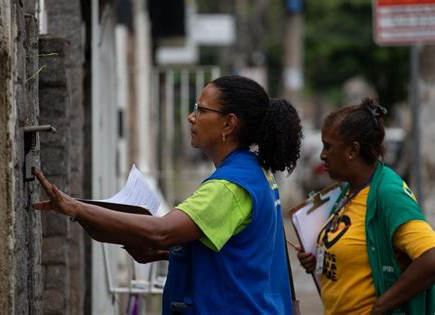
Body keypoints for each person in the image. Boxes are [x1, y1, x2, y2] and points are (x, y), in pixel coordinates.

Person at [33, 75, 303, 314]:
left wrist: (76, 208)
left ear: (228, 124)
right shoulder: (255, 172)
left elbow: (162, 231)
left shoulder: (230, 186)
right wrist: (166, 253)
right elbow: (239, 253)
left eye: (201, 109)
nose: (191, 116)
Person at [296, 98, 435, 314]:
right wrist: (319, 261)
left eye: (328, 146)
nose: (322, 155)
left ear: (352, 150)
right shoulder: (350, 190)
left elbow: (430, 259)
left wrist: (381, 306)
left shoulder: (388, 193)